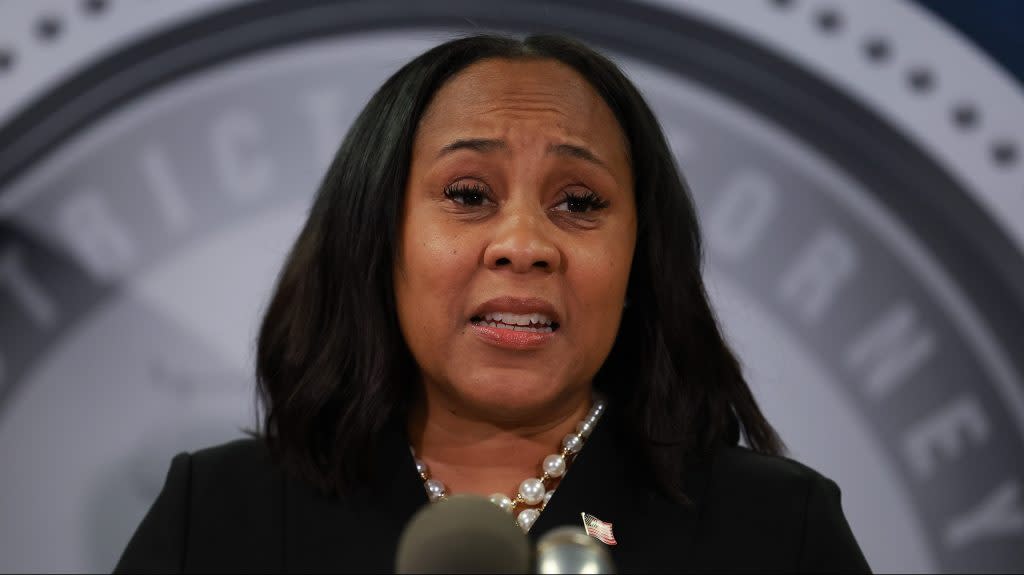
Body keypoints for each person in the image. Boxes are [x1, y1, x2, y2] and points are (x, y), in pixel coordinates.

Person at [115, 34, 870, 573]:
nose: (523, 243)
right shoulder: (219, 511)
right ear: (378, 238)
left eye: (579, 202)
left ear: (640, 257)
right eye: (469, 194)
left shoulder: (777, 530)